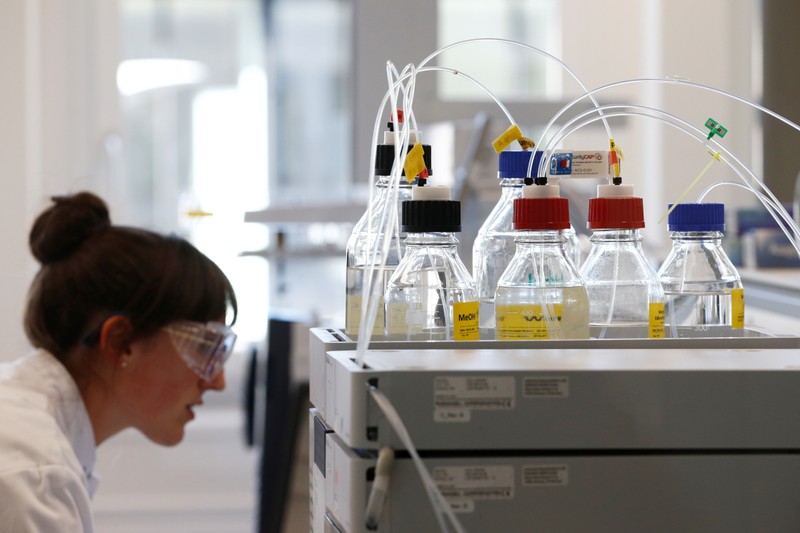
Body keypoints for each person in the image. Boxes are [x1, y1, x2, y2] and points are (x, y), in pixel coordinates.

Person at [0, 192, 238, 531]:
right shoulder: (35, 474)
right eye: (205, 349)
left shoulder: (31, 430)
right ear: (120, 341)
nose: (218, 381)